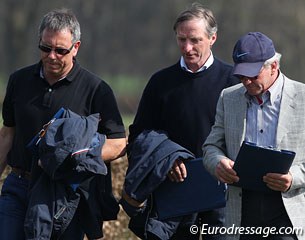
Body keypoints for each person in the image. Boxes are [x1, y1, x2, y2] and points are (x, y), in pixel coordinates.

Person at [0, 8, 126, 240]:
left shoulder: (96, 90)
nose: (52, 56)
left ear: (75, 47)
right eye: (45, 48)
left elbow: (118, 142)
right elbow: (7, 134)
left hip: (63, 192)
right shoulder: (18, 80)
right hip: (19, 185)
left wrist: (76, 158)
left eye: (60, 50)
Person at [128, 3, 239, 239]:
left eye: (195, 40)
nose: (187, 48)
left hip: (223, 197)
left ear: (213, 38)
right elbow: (139, 135)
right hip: (175, 195)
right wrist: (165, 160)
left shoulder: (234, 82)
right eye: (181, 40)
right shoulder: (160, 83)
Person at [202, 31, 305, 240]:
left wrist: (293, 178)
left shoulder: (302, 98)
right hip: (241, 211)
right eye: (241, 76)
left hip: (288, 212)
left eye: (253, 75)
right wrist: (218, 163)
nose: (246, 82)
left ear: (274, 66)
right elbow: (211, 147)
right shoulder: (228, 97)